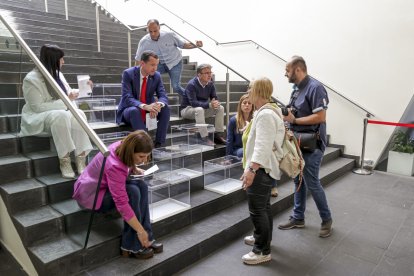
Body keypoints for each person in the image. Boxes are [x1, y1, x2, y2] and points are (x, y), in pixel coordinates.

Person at [73, 130, 163, 259]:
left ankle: (147, 237)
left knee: (142, 186)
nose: (144, 161)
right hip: (90, 197)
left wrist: (134, 168)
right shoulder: (114, 165)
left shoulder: (123, 146)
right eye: (141, 156)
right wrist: (140, 231)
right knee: (133, 192)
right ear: (131, 152)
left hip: (103, 188)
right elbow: (121, 204)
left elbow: (126, 161)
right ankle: (131, 244)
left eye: (147, 156)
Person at [278, 55, 333, 238]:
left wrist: (295, 120)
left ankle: (326, 220)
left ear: (298, 70)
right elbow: (293, 110)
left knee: (312, 182)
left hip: (312, 144)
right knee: (298, 180)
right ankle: (298, 217)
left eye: (288, 70)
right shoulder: (297, 90)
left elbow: (320, 118)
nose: (285, 74)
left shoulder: (315, 88)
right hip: (298, 141)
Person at [20, 44, 93, 179]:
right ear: (52, 60)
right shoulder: (31, 79)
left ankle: (80, 159)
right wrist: (66, 100)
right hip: (38, 116)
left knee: (80, 114)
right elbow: (37, 107)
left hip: (61, 112)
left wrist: (83, 89)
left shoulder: (58, 74)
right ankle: (64, 161)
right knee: (62, 115)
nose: (63, 62)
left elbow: (68, 93)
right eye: (61, 59)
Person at [240, 77, 285, 265]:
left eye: (251, 88)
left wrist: (251, 169)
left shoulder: (266, 114)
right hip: (265, 168)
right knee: (264, 208)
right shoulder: (268, 111)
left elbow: (262, 146)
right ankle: (263, 239)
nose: (248, 91)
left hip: (261, 169)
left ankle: (261, 250)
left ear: (258, 91)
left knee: (258, 210)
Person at [135, 19, 203, 97]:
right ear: (147, 29)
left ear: (159, 27)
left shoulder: (169, 35)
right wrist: (136, 74)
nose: (153, 34)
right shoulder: (144, 41)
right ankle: (152, 99)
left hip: (175, 62)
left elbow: (183, 45)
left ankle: (192, 98)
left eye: (155, 31)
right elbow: (138, 59)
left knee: (175, 86)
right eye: (150, 31)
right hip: (159, 64)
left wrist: (196, 45)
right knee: (149, 79)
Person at [116, 51, 170, 148]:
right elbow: (127, 97)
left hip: (148, 110)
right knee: (134, 111)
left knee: (165, 108)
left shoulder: (156, 76)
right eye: (152, 65)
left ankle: (159, 144)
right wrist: (145, 106)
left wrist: (158, 105)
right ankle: (146, 146)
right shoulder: (128, 74)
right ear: (142, 63)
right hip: (129, 110)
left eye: (156, 65)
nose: (155, 68)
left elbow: (163, 95)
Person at [180, 64, 226, 145]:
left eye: (210, 72)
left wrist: (216, 103)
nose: (209, 75)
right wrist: (209, 105)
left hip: (202, 109)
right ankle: (204, 137)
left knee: (220, 108)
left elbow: (214, 97)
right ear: (199, 74)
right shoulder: (192, 85)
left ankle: (218, 134)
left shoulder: (210, 84)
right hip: (187, 109)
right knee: (199, 109)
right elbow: (193, 103)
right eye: (206, 73)